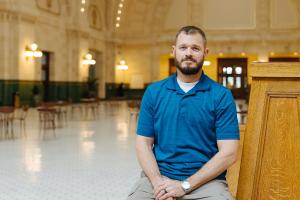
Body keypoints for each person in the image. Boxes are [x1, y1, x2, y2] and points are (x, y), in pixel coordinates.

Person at [127, 26, 240, 200]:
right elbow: (143, 143)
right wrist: (158, 183)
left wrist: (185, 185)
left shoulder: (221, 95)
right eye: (183, 47)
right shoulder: (154, 92)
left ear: (205, 52)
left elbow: (229, 152)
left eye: (195, 48)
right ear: (174, 51)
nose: (188, 53)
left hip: (206, 183)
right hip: (158, 179)